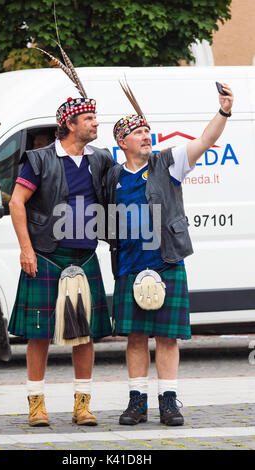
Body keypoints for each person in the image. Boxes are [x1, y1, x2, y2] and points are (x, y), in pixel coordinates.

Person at [105, 82, 234, 426]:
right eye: (139, 132)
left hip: (166, 260)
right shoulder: (113, 176)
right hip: (129, 264)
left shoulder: (169, 163)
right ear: (123, 142)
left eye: (148, 131)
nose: (147, 136)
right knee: (134, 338)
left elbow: (205, 141)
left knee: (167, 336)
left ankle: (168, 401)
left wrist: (223, 111)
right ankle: (136, 401)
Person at [8, 96, 114, 427]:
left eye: (95, 118)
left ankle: (82, 405)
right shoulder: (39, 160)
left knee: (84, 335)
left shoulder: (101, 159)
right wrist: (26, 249)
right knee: (38, 334)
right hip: (46, 256)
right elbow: (16, 203)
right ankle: (36, 405)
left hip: (84, 257)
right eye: (89, 118)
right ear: (70, 124)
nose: (96, 123)